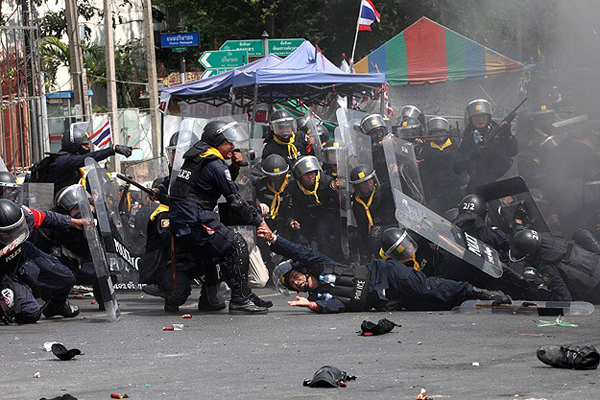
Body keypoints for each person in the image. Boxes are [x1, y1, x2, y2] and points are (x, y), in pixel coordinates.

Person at [257, 224, 510, 313]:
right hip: (386, 300)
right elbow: (338, 306)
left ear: (301, 270)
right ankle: (477, 300)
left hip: (385, 273)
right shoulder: (317, 298)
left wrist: (274, 240)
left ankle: (482, 293)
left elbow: (300, 251)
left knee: (429, 288)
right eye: (292, 284)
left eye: (294, 276)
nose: (297, 282)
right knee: (432, 303)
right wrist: (313, 306)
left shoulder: (320, 264)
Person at [168, 119, 271, 314]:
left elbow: (210, 185)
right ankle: (240, 299)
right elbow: (236, 202)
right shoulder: (215, 164)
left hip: (184, 223)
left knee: (216, 248)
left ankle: (220, 298)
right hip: (196, 220)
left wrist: (234, 167)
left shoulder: (196, 158)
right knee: (236, 244)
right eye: (228, 143)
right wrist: (260, 222)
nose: (232, 146)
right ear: (217, 142)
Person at [0, 199, 84, 323]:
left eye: (18, 229)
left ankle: (57, 306)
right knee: (30, 314)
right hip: (4, 274)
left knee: (66, 278)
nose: (16, 236)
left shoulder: (24, 215)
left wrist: (72, 222)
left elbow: (47, 217)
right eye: (9, 234)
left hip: (24, 254)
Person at [30, 125, 133, 194]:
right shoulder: (62, 161)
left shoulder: (66, 159)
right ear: (74, 146)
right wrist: (112, 150)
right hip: (56, 210)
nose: (88, 147)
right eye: (85, 145)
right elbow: (87, 158)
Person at [509, 229, 600, 303]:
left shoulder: (548, 269)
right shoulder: (558, 240)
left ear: (529, 255)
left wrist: (541, 294)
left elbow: (564, 299)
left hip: (594, 289)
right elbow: (582, 232)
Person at [453, 99, 518, 193]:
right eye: (476, 116)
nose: (480, 119)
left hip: (501, 183)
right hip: (478, 186)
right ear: (471, 119)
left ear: (488, 117)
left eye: (483, 116)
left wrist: (507, 134)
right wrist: (471, 155)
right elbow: (457, 168)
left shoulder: (499, 131)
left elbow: (512, 151)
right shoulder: (467, 138)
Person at [286, 155, 341, 259]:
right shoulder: (293, 188)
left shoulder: (327, 182)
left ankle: (327, 262)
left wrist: (334, 191)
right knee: (298, 237)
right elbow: (290, 208)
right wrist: (291, 220)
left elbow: (336, 205)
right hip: (305, 216)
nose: (310, 177)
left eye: (312, 173)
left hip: (325, 214)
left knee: (323, 233)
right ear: (299, 176)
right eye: (306, 174)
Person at [416, 117, 463, 214]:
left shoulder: (456, 145)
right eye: (435, 132)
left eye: (441, 132)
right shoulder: (425, 148)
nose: (439, 135)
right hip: (435, 192)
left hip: (455, 191)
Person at [348, 164, 396, 259]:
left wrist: (395, 174)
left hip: (392, 229)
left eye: (369, 180)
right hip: (374, 240)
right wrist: (370, 251)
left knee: (376, 231)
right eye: (363, 183)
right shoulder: (357, 204)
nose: (368, 184)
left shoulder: (385, 191)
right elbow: (363, 229)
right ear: (357, 186)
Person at [359, 113, 390, 184]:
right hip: (374, 180)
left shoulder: (389, 140)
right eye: (374, 133)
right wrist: (380, 145)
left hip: (391, 178)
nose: (378, 135)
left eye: (379, 131)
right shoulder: (363, 145)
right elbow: (364, 152)